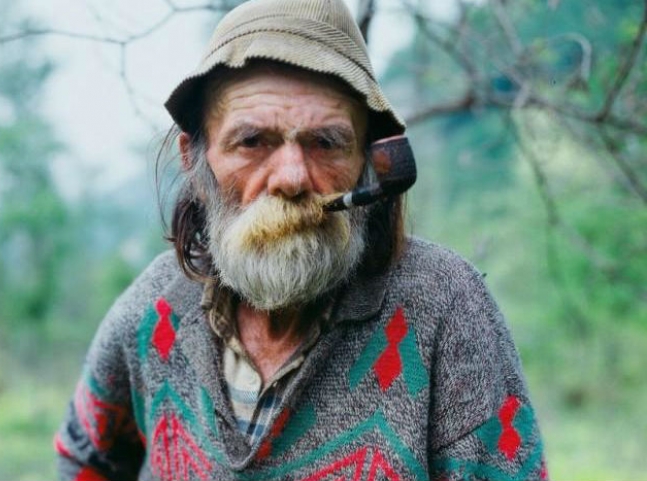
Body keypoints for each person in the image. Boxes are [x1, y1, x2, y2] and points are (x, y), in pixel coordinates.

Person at [54, 0, 548, 479]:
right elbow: (83, 454)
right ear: (195, 158)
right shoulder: (157, 307)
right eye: (252, 142)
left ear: (367, 164)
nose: (291, 178)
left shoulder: (443, 306)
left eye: (326, 143)